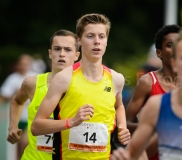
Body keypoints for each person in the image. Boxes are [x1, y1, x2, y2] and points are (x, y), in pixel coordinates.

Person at [31, 13, 131, 160]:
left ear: (106, 41)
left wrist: (122, 127)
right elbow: (36, 126)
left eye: (101, 36)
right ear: (79, 40)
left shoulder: (116, 79)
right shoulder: (64, 78)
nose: (97, 42)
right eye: (90, 36)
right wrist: (71, 122)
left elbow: (119, 106)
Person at [111, 28, 182, 160]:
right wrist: (156, 127)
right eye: (170, 45)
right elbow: (127, 123)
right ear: (159, 53)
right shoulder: (149, 84)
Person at [7, 30, 80, 160]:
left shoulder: (86, 87)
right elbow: (17, 101)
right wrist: (13, 126)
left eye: (68, 50)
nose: (62, 54)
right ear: (50, 53)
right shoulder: (32, 83)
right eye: (57, 49)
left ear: (76, 55)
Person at [126, 24, 181, 159]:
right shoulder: (147, 82)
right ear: (159, 53)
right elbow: (124, 123)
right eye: (170, 45)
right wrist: (152, 128)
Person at [0, 54, 35, 160]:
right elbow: (3, 96)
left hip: (29, 118)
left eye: (26, 63)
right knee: (15, 147)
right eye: (22, 63)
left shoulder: (35, 77)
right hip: (16, 118)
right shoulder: (12, 78)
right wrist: (16, 95)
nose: (24, 66)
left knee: (24, 144)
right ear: (18, 65)